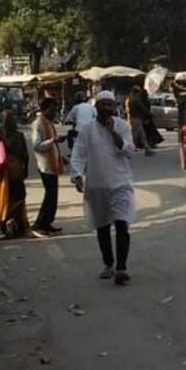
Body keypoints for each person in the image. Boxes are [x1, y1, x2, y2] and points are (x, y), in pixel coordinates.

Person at [70, 90, 137, 285]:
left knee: (122, 224)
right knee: (102, 227)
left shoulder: (123, 126)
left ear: (115, 107)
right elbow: (78, 154)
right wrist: (77, 175)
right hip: (97, 184)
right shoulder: (87, 130)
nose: (107, 108)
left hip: (120, 182)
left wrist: (113, 133)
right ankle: (108, 263)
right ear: (96, 107)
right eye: (103, 105)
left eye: (110, 105)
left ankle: (121, 268)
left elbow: (130, 151)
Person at [0, 110, 31, 238]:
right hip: (12, 171)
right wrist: (25, 169)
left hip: (5, 173)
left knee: (9, 198)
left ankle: (9, 225)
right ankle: (15, 225)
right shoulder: (16, 135)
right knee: (17, 196)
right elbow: (25, 155)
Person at [31, 98, 67, 236]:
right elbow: (37, 145)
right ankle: (39, 224)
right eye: (53, 109)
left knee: (53, 196)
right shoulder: (38, 124)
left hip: (53, 164)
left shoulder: (49, 124)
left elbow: (52, 145)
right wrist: (54, 141)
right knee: (50, 196)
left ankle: (47, 223)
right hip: (45, 165)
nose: (55, 112)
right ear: (45, 109)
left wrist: (60, 157)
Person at [125, 86, 154, 156]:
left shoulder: (129, 99)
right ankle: (129, 150)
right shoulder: (136, 100)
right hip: (136, 119)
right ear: (137, 92)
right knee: (134, 135)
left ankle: (147, 149)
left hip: (133, 118)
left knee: (142, 135)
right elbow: (142, 108)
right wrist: (149, 114)